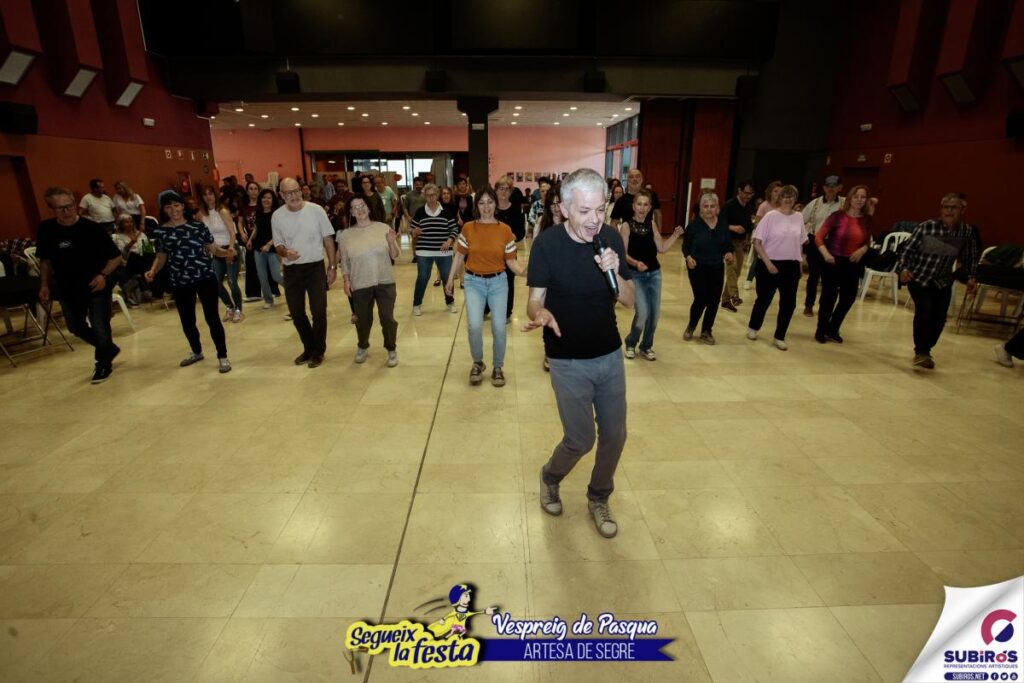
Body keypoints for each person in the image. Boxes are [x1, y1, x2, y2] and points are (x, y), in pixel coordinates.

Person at [525, 168, 635, 539]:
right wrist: (540, 313)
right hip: (566, 358)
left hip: (608, 354)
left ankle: (599, 496)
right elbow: (534, 300)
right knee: (580, 439)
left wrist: (616, 272)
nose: (594, 220)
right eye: (585, 211)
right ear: (565, 208)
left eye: (600, 210)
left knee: (615, 435)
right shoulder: (547, 245)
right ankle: (550, 476)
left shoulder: (610, 239)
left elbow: (630, 301)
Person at [37, 186, 123, 383]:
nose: (66, 211)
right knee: (75, 326)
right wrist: (44, 285)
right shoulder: (46, 229)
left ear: (75, 204)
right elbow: (45, 260)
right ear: (51, 208)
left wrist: (103, 275)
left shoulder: (92, 229)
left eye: (69, 206)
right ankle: (108, 348)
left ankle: (103, 363)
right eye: (60, 208)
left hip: (96, 284)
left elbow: (115, 257)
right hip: (67, 286)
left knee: (100, 326)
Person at [145, 190, 232, 373]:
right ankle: (196, 351)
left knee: (212, 318)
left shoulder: (197, 227)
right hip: (180, 281)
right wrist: (153, 270)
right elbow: (161, 257)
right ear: (164, 210)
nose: (173, 210)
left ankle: (223, 356)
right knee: (187, 320)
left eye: (176, 205)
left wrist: (227, 252)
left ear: (183, 206)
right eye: (168, 207)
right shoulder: (161, 232)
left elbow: (213, 248)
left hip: (205, 277)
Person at [447, 186, 526, 386]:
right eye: (481, 203)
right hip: (473, 282)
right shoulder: (468, 228)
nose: (486, 207)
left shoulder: (505, 230)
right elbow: (459, 256)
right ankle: (478, 362)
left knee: (499, 327)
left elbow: (511, 262)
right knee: (474, 326)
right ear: (477, 206)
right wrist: (450, 279)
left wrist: (525, 272)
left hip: (498, 282)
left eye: (490, 202)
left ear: (495, 204)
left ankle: (498, 366)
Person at [896, 193, 980, 369]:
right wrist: (904, 269)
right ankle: (921, 351)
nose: (949, 211)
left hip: (942, 280)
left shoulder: (967, 232)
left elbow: (970, 257)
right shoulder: (927, 227)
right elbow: (906, 251)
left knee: (940, 317)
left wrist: (971, 277)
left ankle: (926, 349)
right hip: (919, 277)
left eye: (953, 207)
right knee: (925, 310)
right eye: (945, 207)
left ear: (963, 209)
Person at [272, 177, 338, 368]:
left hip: (315, 268)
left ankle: (319, 351)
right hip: (292, 270)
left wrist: (332, 267)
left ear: (301, 191)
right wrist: (286, 253)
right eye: (288, 193)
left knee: (318, 311)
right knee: (297, 313)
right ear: (282, 195)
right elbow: (278, 245)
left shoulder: (316, 210)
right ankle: (309, 347)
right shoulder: (277, 216)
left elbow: (328, 240)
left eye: (296, 191)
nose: (294, 196)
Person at [618, 189, 682, 359]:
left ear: (650, 207)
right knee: (643, 313)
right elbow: (623, 254)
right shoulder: (626, 226)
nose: (642, 207)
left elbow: (662, 248)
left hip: (654, 274)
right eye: (639, 204)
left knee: (654, 315)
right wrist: (636, 263)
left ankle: (646, 346)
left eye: (645, 204)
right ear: (633, 206)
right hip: (635, 275)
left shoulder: (652, 225)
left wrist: (675, 235)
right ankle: (631, 342)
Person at [339, 196, 401, 367]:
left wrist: (392, 242)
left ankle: (391, 349)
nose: (360, 209)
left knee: (387, 318)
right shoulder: (346, 235)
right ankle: (362, 345)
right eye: (355, 207)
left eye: (362, 205)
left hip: (385, 281)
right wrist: (346, 280)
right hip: (360, 283)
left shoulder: (383, 228)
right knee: (363, 320)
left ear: (369, 207)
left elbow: (395, 255)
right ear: (351, 212)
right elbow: (345, 261)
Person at [746, 184, 806, 351]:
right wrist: (768, 263)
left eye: (791, 196)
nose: (788, 199)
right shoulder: (770, 216)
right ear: (779, 198)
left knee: (789, 303)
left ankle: (780, 336)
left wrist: (800, 264)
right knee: (764, 299)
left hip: (791, 265)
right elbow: (757, 242)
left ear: (795, 199)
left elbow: (800, 243)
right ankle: (753, 327)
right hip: (769, 263)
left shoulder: (799, 217)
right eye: (785, 196)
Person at [814, 185, 875, 344]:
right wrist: (826, 255)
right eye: (856, 196)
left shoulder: (867, 220)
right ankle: (821, 329)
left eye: (863, 197)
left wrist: (863, 249)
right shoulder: (837, 216)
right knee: (828, 298)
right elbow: (819, 237)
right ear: (850, 198)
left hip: (853, 263)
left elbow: (867, 241)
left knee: (848, 298)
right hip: (833, 261)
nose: (859, 200)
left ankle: (833, 328)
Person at [682, 192, 735, 344]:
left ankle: (706, 330)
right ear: (700, 208)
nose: (709, 209)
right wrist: (688, 257)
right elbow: (686, 246)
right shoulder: (694, 226)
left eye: (712, 206)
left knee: (714, 300)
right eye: (706, 206)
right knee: (701, 298)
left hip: (716, 266)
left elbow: (728, 244)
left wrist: (729, 252)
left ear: (717, 208)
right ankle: (691, 325)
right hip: (697, 266)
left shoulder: (723, 224)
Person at [196, 184, 244, 323]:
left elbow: (232, 232)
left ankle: (238, 310)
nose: (208, 197)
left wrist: (230, 250)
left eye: (210, 193)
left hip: (230, 248)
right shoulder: (201, 214)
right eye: (205, 194)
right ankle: (229, 307)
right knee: (216, 283)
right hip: (216, 251)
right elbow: (203, 235)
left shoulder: (222, 211)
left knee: (232, 282)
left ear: (215, 195)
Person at [410, 183, 459, 315]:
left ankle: (450, 302)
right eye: (428, 195)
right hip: (424, 251)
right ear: (424, 196)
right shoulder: (420, 211)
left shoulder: (446, 211)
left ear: (437, 195)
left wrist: (449, 241)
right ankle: (416, 304)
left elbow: (454, 229)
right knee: (423, 277)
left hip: (444, 251)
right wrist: (414, 232)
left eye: (433, 195)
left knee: (447, 277)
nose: (431, 198)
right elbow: (412, 229)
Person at [801, 175, 844, 316]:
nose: (831, 189)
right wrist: (804, 236)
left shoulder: (845, 204)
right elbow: (800, 220)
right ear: (824, 188)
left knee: (829, 277)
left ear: (839, 188)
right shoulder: (815, 204)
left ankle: (824, 306)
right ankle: (809, 305)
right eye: (828, 186)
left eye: (834, 186)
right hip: (815, 242)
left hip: (834, 244)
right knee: (813, 275)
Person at [493, 176, 526, 321]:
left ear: (511, 191)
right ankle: (487, 308)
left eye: (507, 189)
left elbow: (521, 231)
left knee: (508, 281)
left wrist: (513, 236)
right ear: (496, 190)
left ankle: (507, 312)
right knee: (490, 280)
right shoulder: (491, 208)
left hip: (509, 252)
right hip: (491, 252)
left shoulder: (516, 208)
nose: (504, 192)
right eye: (501, 188)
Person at [720, 180, 756, 312]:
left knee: (737, 272)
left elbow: (748, 225)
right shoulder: (729, 205)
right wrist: (733, 227)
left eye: (751, 194)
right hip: (727, 242)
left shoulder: (749, 206)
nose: (748, 196)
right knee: (732, 267)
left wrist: (749, 231)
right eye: (746, 193)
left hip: (740, 243)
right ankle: (734, 296)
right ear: (739, 191)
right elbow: (719, 224)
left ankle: (725, 300)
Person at [744, 180, 783, 289]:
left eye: (780, 192)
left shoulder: (782, 206)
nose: (778, 194)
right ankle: (749, 279)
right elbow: (757, 223)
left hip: (777, 240)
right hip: (763, 239)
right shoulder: (764, 205)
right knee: (758, 259)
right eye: (775, 191)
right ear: (770, 192)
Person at [238, 180, 270, 302]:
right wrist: (242, 233)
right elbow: (240, 222)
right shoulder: (243, 206)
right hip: (250, 239)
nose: (253, 191)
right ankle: (253, 293)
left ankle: (272, 291)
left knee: (267, 265)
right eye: (250, 189)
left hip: (263, 237)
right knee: (251, 264)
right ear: (247, 191)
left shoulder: (263, 205)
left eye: (255, 189)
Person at [251, 188, 284, 309]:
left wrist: (269, 244)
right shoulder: (258, 212)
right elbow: (256, 228)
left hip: (273, 248)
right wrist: (250, 240)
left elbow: (279, 233)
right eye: (264, 197)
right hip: (258, 248)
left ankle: (292, 288)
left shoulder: (277, 214)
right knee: (262, 276)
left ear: (273, 200)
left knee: (276, 275)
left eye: (269, 198)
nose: (266, 200)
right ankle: (268, 300)